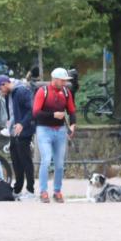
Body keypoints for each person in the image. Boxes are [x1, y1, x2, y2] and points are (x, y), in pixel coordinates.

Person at [32, 67, 77, 203]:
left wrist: (73, 124)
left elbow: (71, 110)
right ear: (55, 79)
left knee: (59, 164)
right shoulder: (43, 91)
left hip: (60, 130)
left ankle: (57, 191)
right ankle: (43, 191)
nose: (65, 83)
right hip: (44, 130)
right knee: (46, 160)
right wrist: (53, 115)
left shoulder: (66, 92)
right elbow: (35, 113)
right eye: (62, 80)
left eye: (65, 81)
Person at [9, 77, 37, 200]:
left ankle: (30, 190)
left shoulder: (22, 91)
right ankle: (17, 188)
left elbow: (33, 109)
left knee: (25, 160)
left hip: (25, 130)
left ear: (5, 84)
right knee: (16, 159)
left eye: (0, 88)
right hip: (15, 131)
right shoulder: (11, 93)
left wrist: (22, 123)